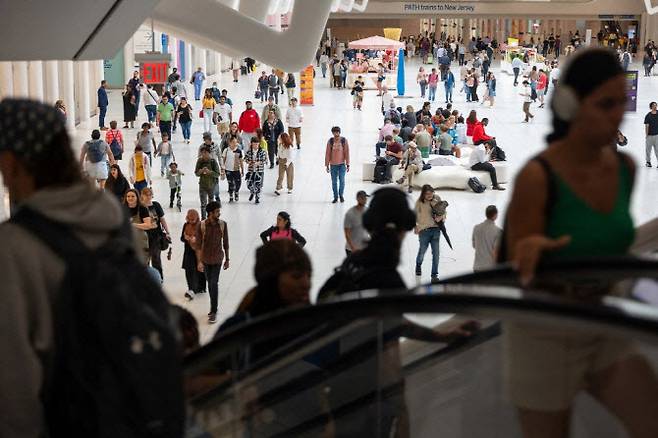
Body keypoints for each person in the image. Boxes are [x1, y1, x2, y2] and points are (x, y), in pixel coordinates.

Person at [502, 47, 658, 438]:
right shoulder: (538, 177)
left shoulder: (625, 169)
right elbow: (511, 262)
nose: (618, 114)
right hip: (544, 334)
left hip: (603, 322)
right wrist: (530, 250)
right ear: (571, 104)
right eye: (605, 104)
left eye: (621, 102)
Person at [197, 201, 230, 324]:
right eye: (217, 211)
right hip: (205, 260)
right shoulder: (201, 226)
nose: (219, 213)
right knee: (210, 284)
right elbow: (198, 246)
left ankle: (213, 311)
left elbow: (226, 243)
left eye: (219, 211)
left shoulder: (222, 225)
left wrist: (227, 259)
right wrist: (199, 262)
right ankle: (213, 307)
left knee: (213, 283)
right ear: (210, 213)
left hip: (217, 259)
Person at [414, 185, 446, 284]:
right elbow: (413, 215)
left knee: (436, 254)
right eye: (427, 194)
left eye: (431, 193)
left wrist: (442, 217)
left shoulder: (437, 199)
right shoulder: (419, 203)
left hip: (436, 230)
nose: (429, 195)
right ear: (423, 194)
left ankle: (434, 275)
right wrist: (415, 226)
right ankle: (418, 264)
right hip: (424, 231)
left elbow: (444, 211)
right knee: (422, 252)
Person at [140, 187, 170, 280]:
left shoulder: (156, 205)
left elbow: (162, 219)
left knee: (156, 258)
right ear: (142, 195)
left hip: (156, 235)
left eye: (150, 194)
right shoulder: (140, 207)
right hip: (144, 236)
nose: (148, 197)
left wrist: (167, 232)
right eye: (146, 195)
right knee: (145, 259)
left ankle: (159, 277)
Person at [181, 209, 206, 301]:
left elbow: (205, 240)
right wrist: (186, 238)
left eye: (193, 220)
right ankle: (191, 288)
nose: (191, 221)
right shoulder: (186, 225)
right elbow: (181, 238)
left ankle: (201, 287)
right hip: (188, 251)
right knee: (189, 270)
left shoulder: (201, 226)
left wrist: (196, 240)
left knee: (199, 269)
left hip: (199, 252)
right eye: (189, 219)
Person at [472, 205, 501, 272]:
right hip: (489, 268)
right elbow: (496, 252)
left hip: (477, 266)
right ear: (495, 215)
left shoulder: (476, 228)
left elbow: (474, 245)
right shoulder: (498, 231)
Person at [325, 126, 350, 203]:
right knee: (334, 182)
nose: (336, 133)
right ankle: (335, 197)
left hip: (342, 164)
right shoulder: (330, 141)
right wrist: (327, 165)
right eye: (335, 132)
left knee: (342, 180)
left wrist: (348, 164)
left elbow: (347, 152)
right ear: (332, 133)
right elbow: (327, 153)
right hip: (333, 165)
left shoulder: (343, 140)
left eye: (337, 132)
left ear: (339, 132)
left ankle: (341, 195)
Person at [195, 146, 221, 219]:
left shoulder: (213, 161)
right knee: (203, 204)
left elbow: (217, 174)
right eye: (202, 153)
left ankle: (210, 218)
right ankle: (203, 219)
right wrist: (201, 171)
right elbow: (196, 173)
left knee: (211, 204)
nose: (203, 155)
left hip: (212, 185)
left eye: (205, 153)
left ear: (209, 153)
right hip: (202, 185)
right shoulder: (199, 161)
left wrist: (210, 172)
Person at [344, 190, 370, 255]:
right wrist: (353, 248)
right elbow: (347, 233)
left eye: (365, 198)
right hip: (351, 249)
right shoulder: (350, 214)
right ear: (357, 199)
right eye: (362, 198)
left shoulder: (368, 211)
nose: (365, 200)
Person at [220, 136, 244, 203]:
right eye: (233, 142)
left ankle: (236, 192)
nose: (235, 144)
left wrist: (242, 169)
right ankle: (231, 195)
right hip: (228, 170)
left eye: (236, 142)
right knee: (230, 183)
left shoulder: (238, 151)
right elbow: (223, 160)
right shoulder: (226, 150)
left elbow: (241, 160)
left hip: (236, 170)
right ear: (229, 143)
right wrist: (222, 169)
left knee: (238, 183)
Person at [245, 136, 267, 204]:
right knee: (249, 184)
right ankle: (252, 192)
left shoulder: (262, 151)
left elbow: (265, 160)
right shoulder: (249, 152)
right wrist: (249, 162)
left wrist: (258, 163)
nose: (256, 146)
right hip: (251, 170)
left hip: (259, 170)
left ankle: (257, 197)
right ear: (251, 144)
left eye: (257, 144)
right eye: (254, 144)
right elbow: (246, 159)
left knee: (258, 185)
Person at [644, 101, 658, 167]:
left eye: (656, 105)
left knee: (657, 150)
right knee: (648, 150)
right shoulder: (648, 116)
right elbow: (647, 126)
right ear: (651, 107)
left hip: (657, 136)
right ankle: (648, 162)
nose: (655, 106)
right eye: (654, 105)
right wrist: (646, 135)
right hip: (649, 136)